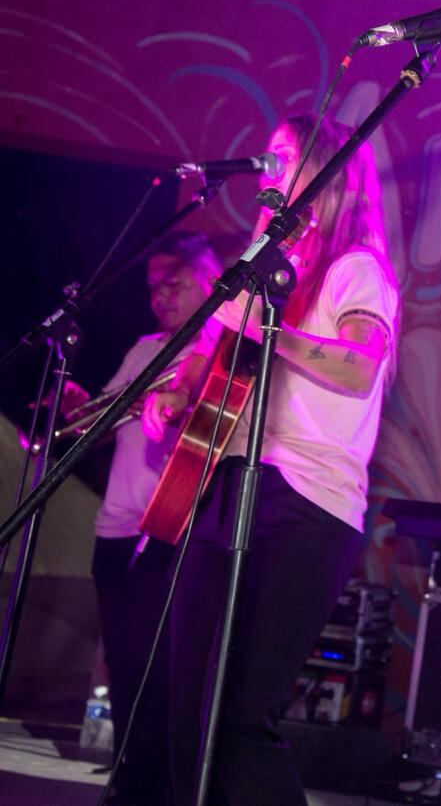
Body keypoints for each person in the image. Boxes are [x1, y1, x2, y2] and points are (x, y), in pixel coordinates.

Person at [141, 114, 399, 805]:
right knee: (190, 704)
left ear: (331, 174)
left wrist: (275, 333)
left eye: (287, 157)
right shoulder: (262, 265)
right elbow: (206, 354)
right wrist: (173, 394)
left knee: (240, 714)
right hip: (225, 482)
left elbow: (357, 367)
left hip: (308, 502)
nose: (271, 168)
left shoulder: (356, 271)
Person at [71, 231, 221, 806]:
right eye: (153, 286)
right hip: (116, 526)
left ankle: (155, 785)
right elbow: (100, 419)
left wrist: (169, 401)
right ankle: (126, 779)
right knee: (125, 663)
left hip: (169, 525)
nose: (161, 297)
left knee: (162, 668)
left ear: (210, 281)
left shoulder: (211, 354)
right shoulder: (144, 347)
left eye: (174, 284)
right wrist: (77, 408)